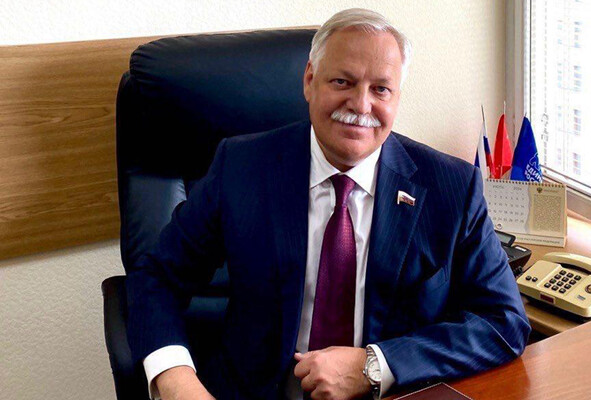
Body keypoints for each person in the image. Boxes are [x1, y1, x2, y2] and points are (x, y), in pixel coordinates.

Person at [126, 8, 531, 400]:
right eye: (342, 82)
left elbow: (505, 321)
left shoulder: (450, 188)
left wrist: (376, 365)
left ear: (397, 96)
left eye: (380, 89)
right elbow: (157, 276)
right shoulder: (241, 167)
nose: (361, 105)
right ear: (309, 80)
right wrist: (178, 384)